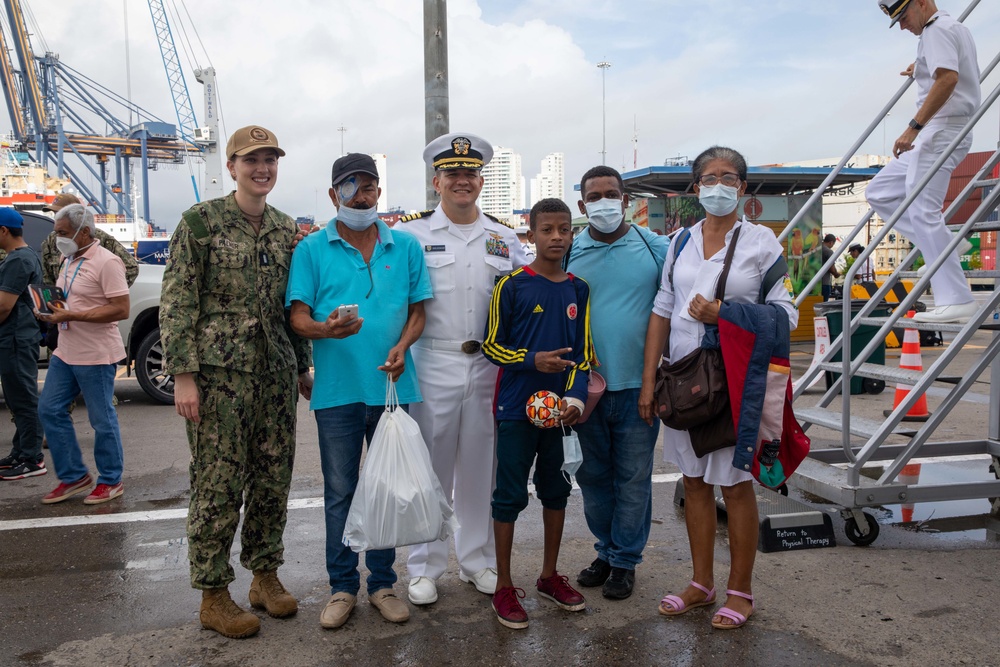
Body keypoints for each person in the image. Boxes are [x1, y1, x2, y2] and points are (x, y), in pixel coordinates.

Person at [159, 125, 312, 639]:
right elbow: (177, 302)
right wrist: (183, 377)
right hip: (219, 379)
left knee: (272, 479)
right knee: (218, 486)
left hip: (274, 375)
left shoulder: (286, 228)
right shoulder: (199, 223)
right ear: (231, 167)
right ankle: (213, 593)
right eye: (251, 160)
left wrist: (304, 363)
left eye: (270, 160)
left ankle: (264, 576)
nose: (262, 168)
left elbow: (295, 306)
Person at [639, 147, 797, 630]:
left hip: (733, 381)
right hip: (685, 381)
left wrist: (724, 313)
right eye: (708, 178)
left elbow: (785, 315)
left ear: (743, 188)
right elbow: (663, 308)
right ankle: (701, 583)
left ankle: (741, 591)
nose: (718, 186)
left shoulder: (762, 244)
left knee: (735, 483)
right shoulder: (679, 242)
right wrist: (649, 383)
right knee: (693, 483)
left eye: (728, 177)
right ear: (696, 187)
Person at [287, 152, 432, 630]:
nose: (362, 195)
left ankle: (383, 583)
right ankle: (342, 586)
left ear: (379, 193)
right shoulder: (311, 249)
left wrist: (402, 346)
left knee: (388, 488)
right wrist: (325, 331)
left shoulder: (405, 246)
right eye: (350, 187)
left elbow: (418, 313)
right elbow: (297, 317)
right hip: (336, 392)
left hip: (393, 386)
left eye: (368, 186)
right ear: (333, 196)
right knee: (341, 492)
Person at [397, 133, 528, 606]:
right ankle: (425, 567)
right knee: (429, 470)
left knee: (480, 467)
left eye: (469, 174)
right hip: (433, 360)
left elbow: (527, 297)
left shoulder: (504, 237)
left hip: (489, 366)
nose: (461, 181)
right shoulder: (411, 235)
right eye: (452, 173)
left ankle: (476, 561)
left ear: (480, 180)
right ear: (437, 181)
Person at [482, 197, 593, 630]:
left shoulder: (578, 289)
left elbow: (583, 356)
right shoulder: (511, 286)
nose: (557, 237)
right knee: (508, 496)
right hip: (515, 410)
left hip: (560, 415)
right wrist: (533, 361)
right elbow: (492, 346)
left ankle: (549, 577)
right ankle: (504, 586)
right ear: (530, 233)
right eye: (547, 230)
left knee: (556, 492)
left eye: (564, 229)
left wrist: (575, 401)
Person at [566, 165, 667, 599]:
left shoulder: (655, 247)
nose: (604, 202)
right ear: (582, 204)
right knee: (592, 476)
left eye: (612, 194)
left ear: (626, 200)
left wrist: (655, 381)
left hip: (638, 388)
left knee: (632, 478)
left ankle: (625, 561)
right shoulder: (569, 252)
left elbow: (671, 312)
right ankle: (605, 551)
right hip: (584, 390)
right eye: (595, 196)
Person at [867, 0, 980, 323]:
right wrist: (920, 67)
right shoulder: (946, 30)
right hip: (938, 132)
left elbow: (948, 79)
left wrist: (912, 128)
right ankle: (946, 244)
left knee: (920, 208)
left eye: (903, 16)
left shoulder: (936, 30)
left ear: (921, 3)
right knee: (880, 192)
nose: (902, 25)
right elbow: (943, 69)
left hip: (939, 129)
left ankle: (957, 298)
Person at [35, 204, 129, 504]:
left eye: (61, 233)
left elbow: (121, 309)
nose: (57, 238)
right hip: (67, 350)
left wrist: (72, 316)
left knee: (102, 420)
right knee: (49, 409)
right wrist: (52, 311)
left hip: (96, 354)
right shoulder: (69, 259)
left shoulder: (108, 262)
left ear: (83, 231)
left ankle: (111, 480)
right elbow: (72, 300)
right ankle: (74, 476)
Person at [0, 208, 46, 481]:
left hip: (15, 339)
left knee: (24, 399)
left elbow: (4, 307)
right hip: (17, 338)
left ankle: (32, 458)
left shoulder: (18, 261)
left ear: (4, 231)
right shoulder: (24, 256)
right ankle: (20, 451)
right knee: (18, 398)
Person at [41, 193, 139, 288]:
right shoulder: (52, 240)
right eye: (55, 213)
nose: (57, 217)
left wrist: (104, 292)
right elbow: (47, 277)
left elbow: (131, 267)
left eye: (61, 213)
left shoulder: (98, 237)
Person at [821, 234, 841, 301]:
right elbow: (831, 268)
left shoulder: (817, 248)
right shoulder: (828, 251)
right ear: (831, 242)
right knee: (824, 304)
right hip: (825, 282)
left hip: (814, 283)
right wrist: (836, 274)